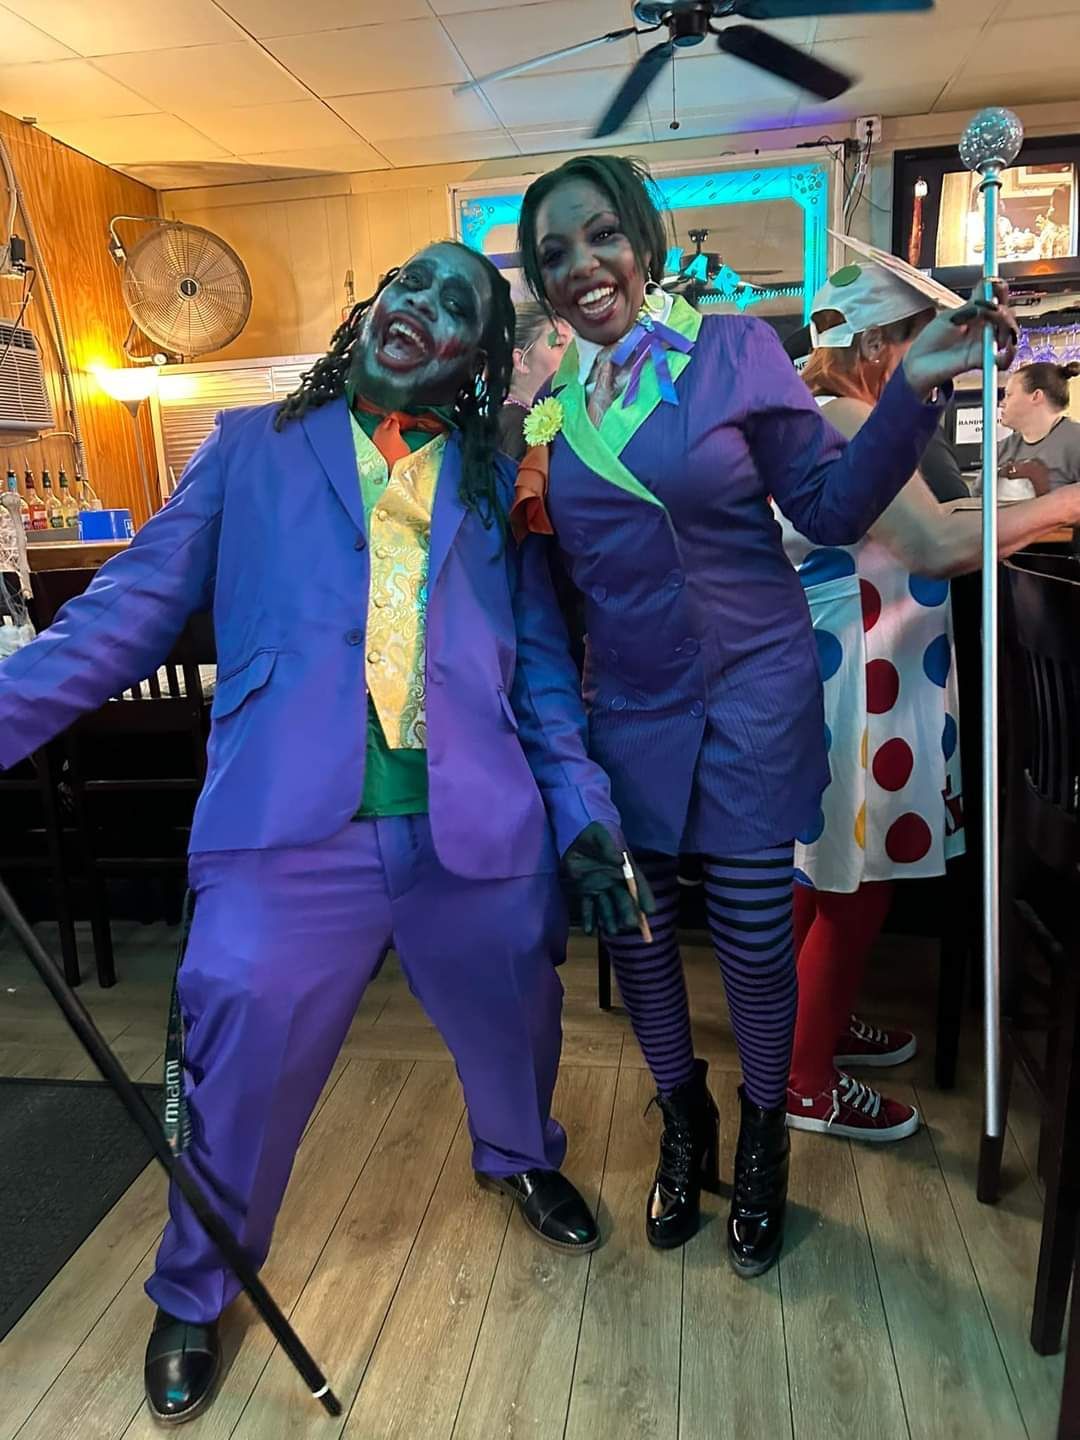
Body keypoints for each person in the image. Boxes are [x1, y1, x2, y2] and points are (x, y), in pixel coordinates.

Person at [0, 240, 651, 1424]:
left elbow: (545, 679)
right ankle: (197, 1284)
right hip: (284, 827)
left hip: (473, 826)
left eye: (457, 307)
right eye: (411, 283)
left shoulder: (493, 478)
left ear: (477, 357)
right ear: (373, 305)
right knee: (237, 1046)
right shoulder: (251, 448)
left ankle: (520, 1151)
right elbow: (126, 613)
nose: (423, 309)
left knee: (519, 1003)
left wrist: (585, 819)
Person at [512, 153, 1016, 1277]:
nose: (583, 266)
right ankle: (682, 1117)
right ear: (542, 285)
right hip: (628, 711)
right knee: (641, 939)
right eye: (555, 254)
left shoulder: (734, 352)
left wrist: (907, 393)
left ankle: (761, 1145)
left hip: (751, 691)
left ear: (640, 239)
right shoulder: (549, 411)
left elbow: (830, 511)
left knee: (748, 934)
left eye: (600, 236)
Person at [775, 259, 1080, 1144]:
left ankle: (808, 1031)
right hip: (854, 688)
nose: (943, 363)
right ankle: (804, 1078)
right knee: (851, 889)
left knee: (825, 877)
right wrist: (1064, 502)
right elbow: (935, 541)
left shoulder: (841, 412)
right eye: (925, 344)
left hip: (856, 676)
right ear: (877, 345)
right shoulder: (838, 417)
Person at [499, 302, 573, 460]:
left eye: (574, 345)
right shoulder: (517, 428)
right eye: (559, 344)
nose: (574, 355)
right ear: (521, 360)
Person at [997, 359, 1080, 495]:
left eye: (1008, 395)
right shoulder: (1001, 449)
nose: (1002, 403)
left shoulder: (1075, 442)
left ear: (1036, 396)